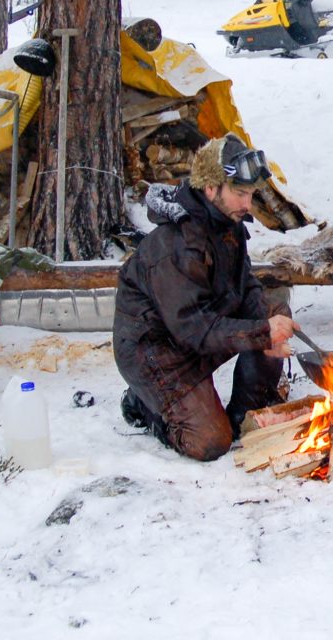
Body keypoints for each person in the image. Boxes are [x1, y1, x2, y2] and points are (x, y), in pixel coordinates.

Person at [114, 133, 298, 461]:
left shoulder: (227, 221)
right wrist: (260, 333)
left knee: (274, 313)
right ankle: (146, 403)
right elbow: (193, 329)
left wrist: (265, 329)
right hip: (156, 353)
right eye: (240, 193)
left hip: (201, 330)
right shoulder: (175, 246)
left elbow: (247, 285)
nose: (247, 203)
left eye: (251, 194)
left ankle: (246, 413)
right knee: (210, 442)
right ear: (211, 189)